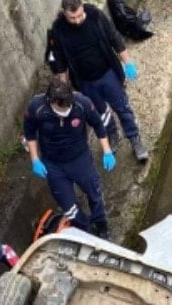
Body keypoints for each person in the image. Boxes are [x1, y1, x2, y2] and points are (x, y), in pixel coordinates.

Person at [46, 0, 150, 163]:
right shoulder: (59, 30)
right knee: (101, 113)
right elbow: (59, 62)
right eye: (72, 18)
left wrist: (127, 62)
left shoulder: (95, 16)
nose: (78, 20)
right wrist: (63, 87)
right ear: (64, 13)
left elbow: (114, 38)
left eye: (80, 15)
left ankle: (134, 138)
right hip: (85, 82)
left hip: (108, 74)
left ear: (82, 8)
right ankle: (112, 134)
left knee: (122, 107)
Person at [24, 78, 116, 238]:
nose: (65, 110)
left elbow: (98, 125)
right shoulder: (36, 107)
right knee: (68, 206)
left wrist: (107, 150)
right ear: (50, 101)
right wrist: (35, 159)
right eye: (61, 108)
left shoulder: (82, 103)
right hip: (53, 164)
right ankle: (85, 229)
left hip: (80, 159)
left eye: (68, 106)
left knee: (94, 193)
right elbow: (29, 133)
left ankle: (101, 225)